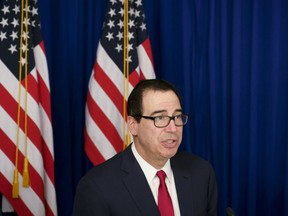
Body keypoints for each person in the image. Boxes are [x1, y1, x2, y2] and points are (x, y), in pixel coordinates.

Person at [72, 79, 217, 216]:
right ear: (133, 125)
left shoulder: (201, 173)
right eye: (160, 118)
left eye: (177, 117)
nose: (173, 128)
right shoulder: (97, 187)